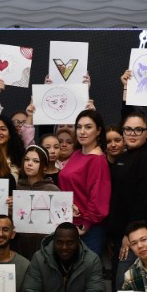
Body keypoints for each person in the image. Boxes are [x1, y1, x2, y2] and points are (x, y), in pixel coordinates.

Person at [108, 111, 147, 268]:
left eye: (138, 130)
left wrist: (129, 234)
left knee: (126, 279)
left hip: (135, 236)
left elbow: (146, 201)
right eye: (128, 129)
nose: (132, 134)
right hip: (117, 234)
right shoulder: (122, 157)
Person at [58, 110, 111, 256]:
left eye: (88, 127)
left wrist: (85, 225)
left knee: (85, 269)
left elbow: (99, 199)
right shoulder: (76, 154)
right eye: (79, 127)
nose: (82, 132)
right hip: (69, 223)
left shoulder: (97, 160)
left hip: (88, 230)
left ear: (98, 131)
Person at [15, 145, 61, 259]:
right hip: (20, 245)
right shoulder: (17, 187)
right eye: (27, 159)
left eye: (36, 161)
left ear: (45, 167)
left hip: (44, 247)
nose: (29, 164)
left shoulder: (52, 190)